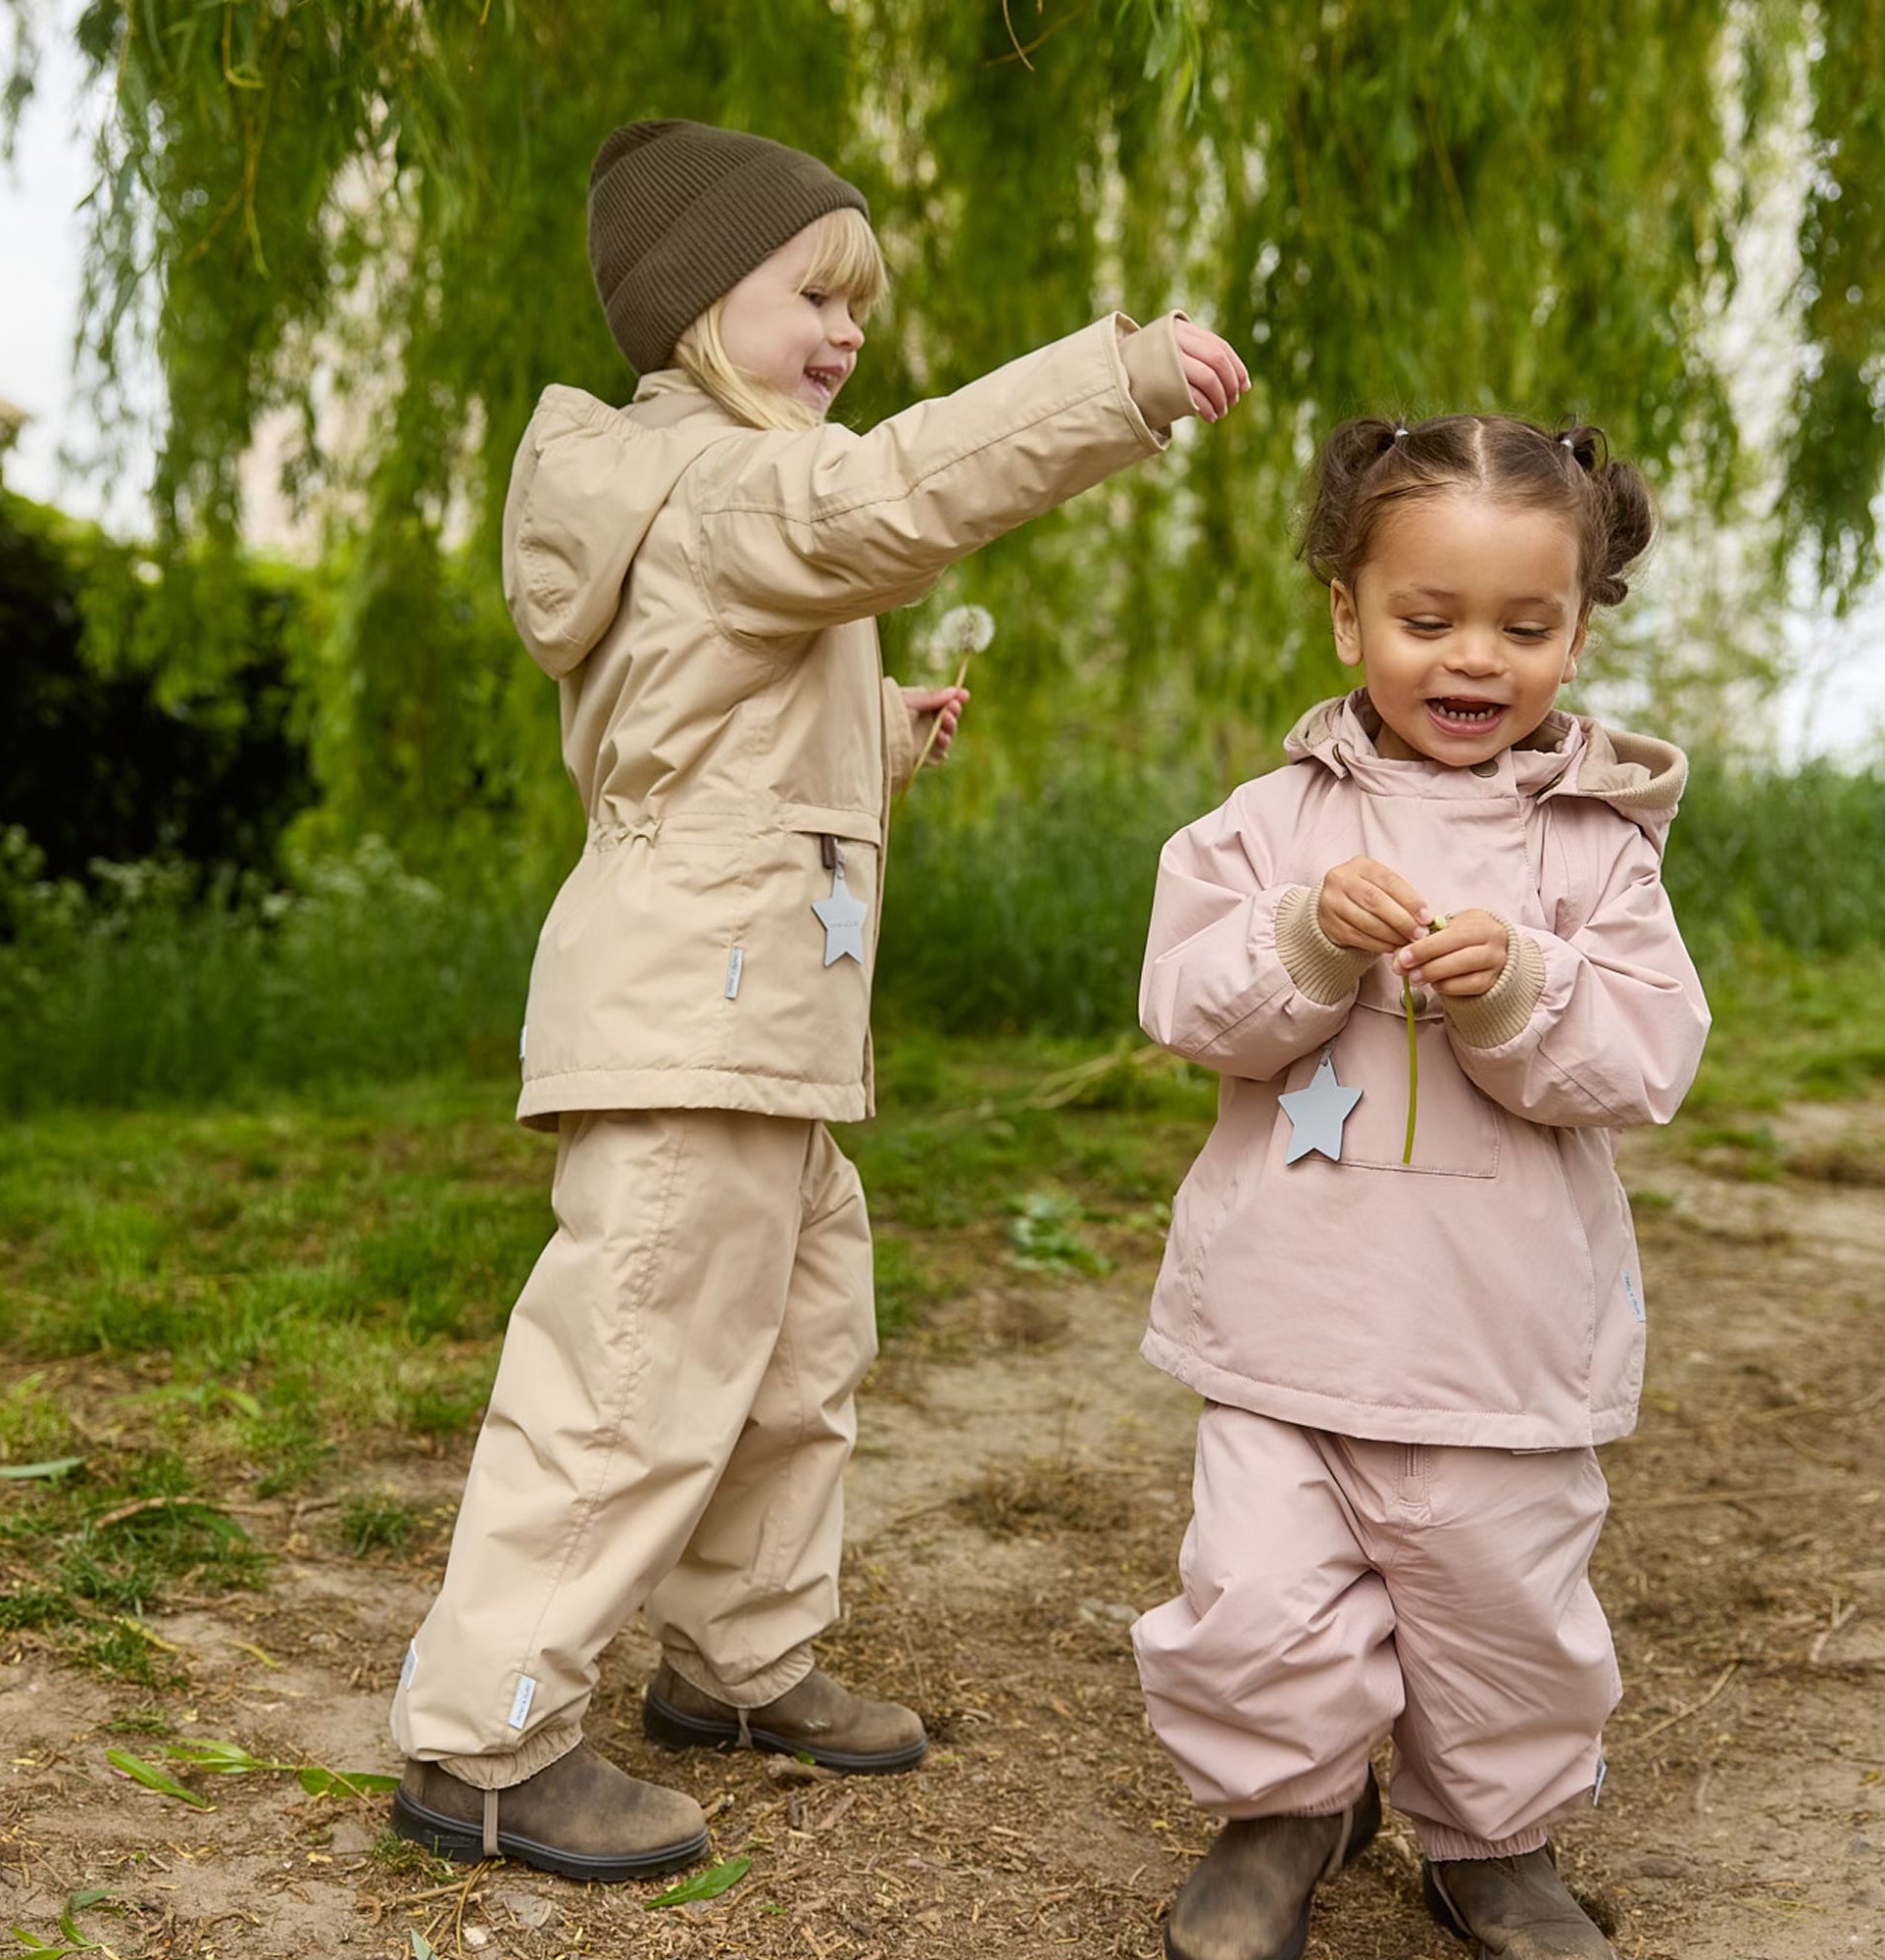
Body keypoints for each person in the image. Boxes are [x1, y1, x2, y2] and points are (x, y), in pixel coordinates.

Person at [385, 117, 1251, 1884]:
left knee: (792, 1356)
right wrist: (1118, 378)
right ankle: (483, 1743)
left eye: (859, 305)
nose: (848, 336)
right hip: (697, 1017)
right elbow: (901, 492)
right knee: (630, 1364)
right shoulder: (729, 484)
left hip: (762, 1016)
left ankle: (744, 1657)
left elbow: (705, 734)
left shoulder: (712, 490)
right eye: (813, 296)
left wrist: (874, 733)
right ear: (702, 305)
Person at [1132, 414, 1710, 1960]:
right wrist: (1307, 942)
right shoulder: (1269, 824)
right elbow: (1187, 1003)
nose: (1474, 659)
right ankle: (1287, 1811)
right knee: (1256, 1596)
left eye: (1525, 626)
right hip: (1287, 1326)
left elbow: (1651, 1057)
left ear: (1577, 634)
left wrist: (1525, 988)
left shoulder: (1597, 848)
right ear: (1348, 615)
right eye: (1427, 618)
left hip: (1501, 1339)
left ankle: (1492, 1840)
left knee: (1504, 1612)